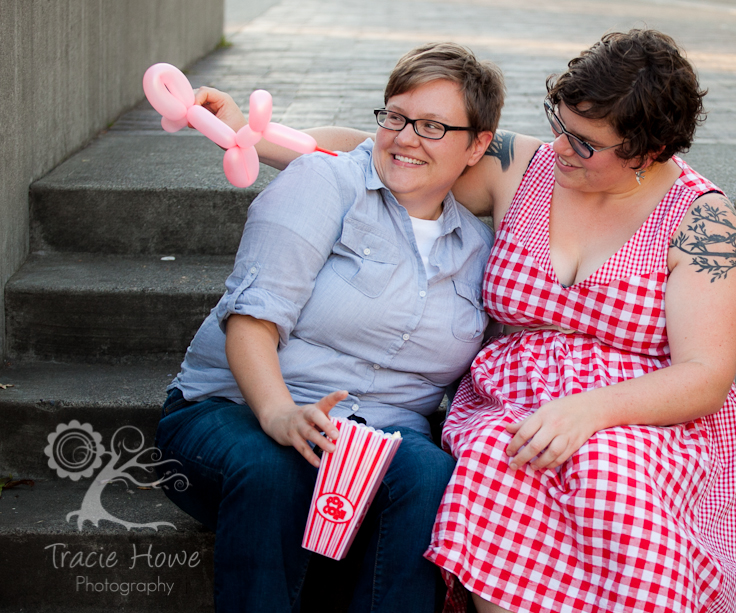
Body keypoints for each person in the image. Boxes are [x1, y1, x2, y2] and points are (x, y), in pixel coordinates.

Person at [200, 29, 736, 612]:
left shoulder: (704, 227)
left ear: (649, 151)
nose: (562, 148)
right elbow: (389, 150)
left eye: (586, 143)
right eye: (560, 125)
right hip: (513, 398)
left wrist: (590, 411)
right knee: (500, 459)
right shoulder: (522, 167)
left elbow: (705, 374)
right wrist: (250, 135)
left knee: (606, 471)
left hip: (639, 412)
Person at [154, 42, 504, 613]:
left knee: (429, 478)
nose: (407, 137)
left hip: (375, 439)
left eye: (434, 126)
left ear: (478, 145)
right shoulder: (324, 182)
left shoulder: (478, 249)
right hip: (236, 412)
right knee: (278, 466)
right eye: (396, 116)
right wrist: (279, 413)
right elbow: (252, 318)